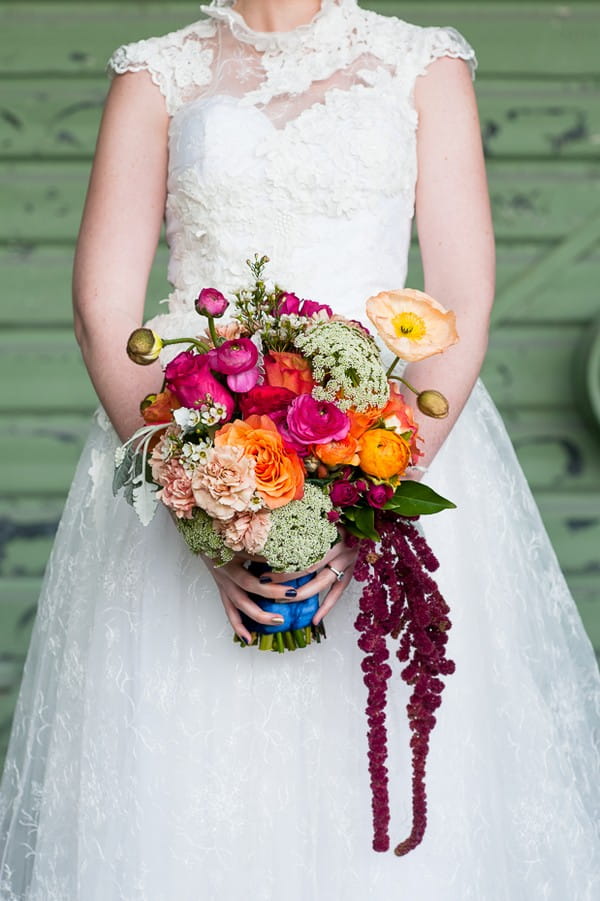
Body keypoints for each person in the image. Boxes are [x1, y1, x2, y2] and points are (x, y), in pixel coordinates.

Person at [1, 1, 599, 897]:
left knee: (402, 788)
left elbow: (462, 301)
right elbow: (102, 311)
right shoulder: (154, 75)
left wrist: (377, 493)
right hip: (191, 442)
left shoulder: (422, 65)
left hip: (395, 446)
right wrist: (200, 500)